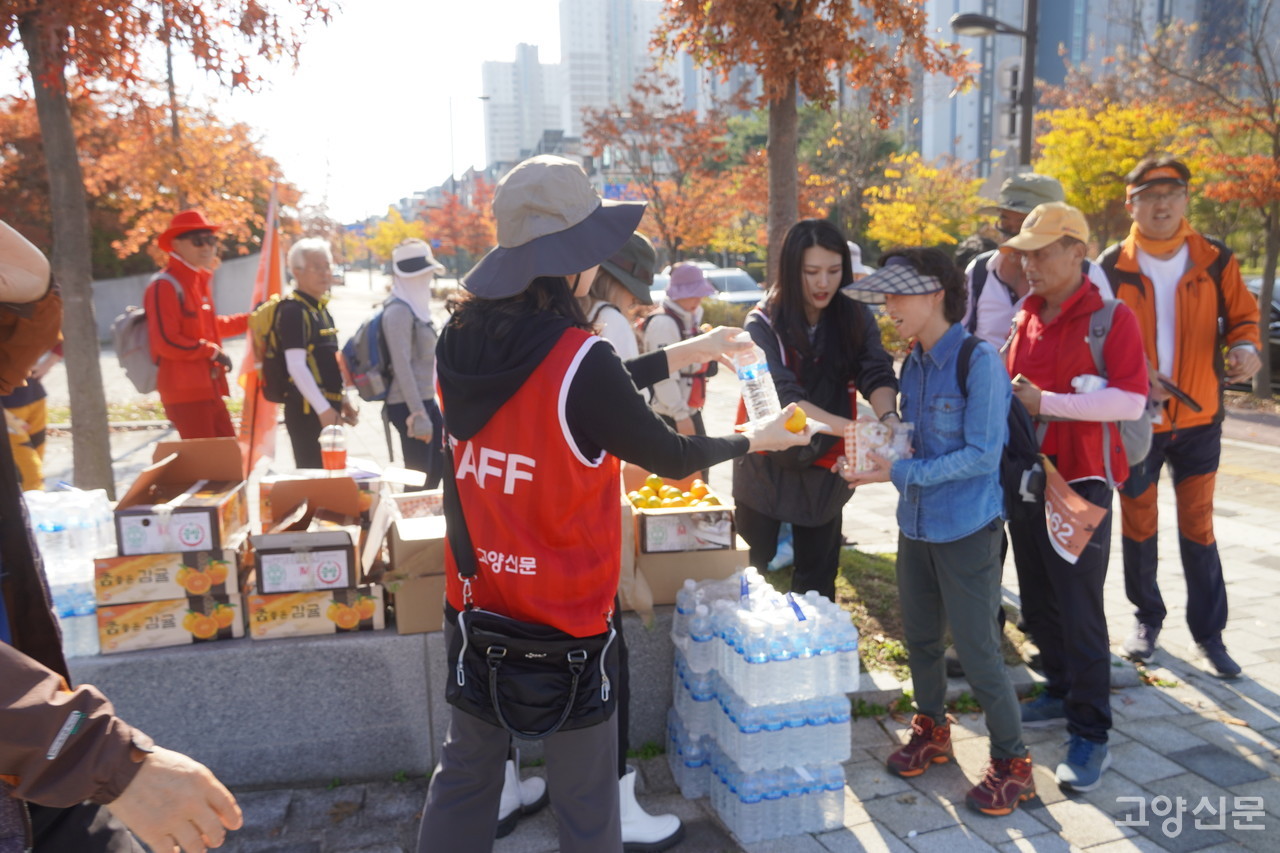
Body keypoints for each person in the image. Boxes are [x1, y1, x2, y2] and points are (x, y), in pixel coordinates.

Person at [418, 154, 808, 853]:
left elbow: (581, 392)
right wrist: (756, 437)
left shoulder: (460, 342)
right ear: (567, 262)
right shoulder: (576, 357)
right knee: (588, 805)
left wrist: (692, 348)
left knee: (467, 775)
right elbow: (667, 452)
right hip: (563, 619)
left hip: (476, 602)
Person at [0, 224, 242, 853]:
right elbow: (173, 342)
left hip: (29, 762)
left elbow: (22, 317)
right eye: (204, 242)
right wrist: (100, 755)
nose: (213, 252)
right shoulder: (168, 283)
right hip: (42, 745)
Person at [838, 247, 1034, 816]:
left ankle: (1013, 762)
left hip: (968, 529)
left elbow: (980, 456)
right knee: (920, 641)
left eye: (897, 294)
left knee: (977, 652)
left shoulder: (978, 361)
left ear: (933, 294)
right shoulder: (913, 364)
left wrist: (898, 470)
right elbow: (918, 441)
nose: (888, 306)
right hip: (916, 526)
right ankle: (933, 730)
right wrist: (887, 442)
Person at [1001, 202, 1148, 793]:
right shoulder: (1024, 316)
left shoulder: (1111, 319)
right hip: (1025, 478)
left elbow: (1129, 401)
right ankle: (1060, 690)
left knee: (1081, 607)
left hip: (1080, 481)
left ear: (1075, 252)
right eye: (1025, 252)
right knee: (1037, 597)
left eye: (1041, 251)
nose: (1028, 263)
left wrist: (1050, 403)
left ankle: (1091, 732)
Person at [1101, 155, 1262, 678]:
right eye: (1149, 194)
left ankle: (1210, 634)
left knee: (1199, 524)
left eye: (1171, 192)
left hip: (1200, 419)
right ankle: (1147, 619)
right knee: (1138, 522)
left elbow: (1245, 318)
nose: (1161, 203)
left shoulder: (1216, 258)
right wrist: (1129, 373)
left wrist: (1245, 347)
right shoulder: (1109, 266)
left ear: (1187, 198)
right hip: (1136, 420)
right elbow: (1092, 338)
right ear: (1131, 203)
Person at [731, 219, 899, 601]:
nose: (823, 283)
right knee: (749, 575)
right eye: (811, 272)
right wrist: (855, 429)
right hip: (765, 455)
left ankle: (815, 649)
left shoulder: (854, 316)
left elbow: (875, 369)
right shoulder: (761, 323)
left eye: (834, 271)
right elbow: (783, 399)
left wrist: (888, 418)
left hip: (826, 460)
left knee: (817, 583)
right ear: (792, 270)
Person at [963, 173, 1113, 349]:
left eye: (1023, 224)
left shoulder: (1087, 274)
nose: (1011, 235)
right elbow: (957, 335)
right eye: (1005, 223)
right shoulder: (979, 271)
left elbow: (1112, 343)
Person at [146, 209, 248, 439]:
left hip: (209, 389)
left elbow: (210, 328)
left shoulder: (196, 281)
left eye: (211, 240)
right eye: (198, 241)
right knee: (211, 467)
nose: (207, 247)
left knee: (227, 463)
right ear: (176, 245)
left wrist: (252, 320)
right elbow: (166, 341)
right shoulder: (165, 285)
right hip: (186, 393)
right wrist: (211, 352)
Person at [278, 238, 356, 469]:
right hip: (307, 413)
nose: (325, 273)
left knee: (332, 476)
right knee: (315, 481)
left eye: (327, 266)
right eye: (317, 267)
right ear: (296, 271)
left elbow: (327, 360)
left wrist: (342, 399)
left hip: (327, 408)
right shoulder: (293, 311)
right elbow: (296, 365)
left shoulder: (320, 309)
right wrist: (324, 411)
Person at [383, 240, 446, 490]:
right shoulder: (398, 312)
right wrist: (418, 414)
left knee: (436, 470)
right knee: (419, 478)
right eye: (424, 273)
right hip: (408, 405)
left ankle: (420, 524)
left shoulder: (416, 307)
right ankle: (405, 526)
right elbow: (402, 367)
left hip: (424, 401)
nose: (429, 278)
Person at [643, 262, 716, 437]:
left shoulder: (690, 317)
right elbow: (663, 374)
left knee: (701, 462)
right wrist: (680, 416)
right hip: (669, 413)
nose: (699, 299)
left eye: (701, 294)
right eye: (693, 294)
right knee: (687, 463)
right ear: (677, 294)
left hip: (689, 408)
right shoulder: (663, 324)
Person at [578, 232, 655, 360]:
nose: (632, 303)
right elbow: (631, 378)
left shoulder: (566, 310)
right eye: (634, 298)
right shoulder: (611, 319)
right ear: (620, 284)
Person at [2, 343, 61, 492]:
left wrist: (49, 362)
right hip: (8, 409)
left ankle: (31, 504)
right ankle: (33, 504)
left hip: (34, 398)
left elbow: (56, 332)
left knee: (34, 460)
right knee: (30, 468)